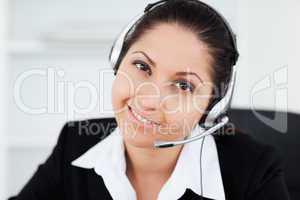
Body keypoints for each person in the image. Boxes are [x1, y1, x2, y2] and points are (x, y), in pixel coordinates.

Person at [9, 0, 290, 199]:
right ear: (118, 62)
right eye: (142, 67)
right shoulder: (74, 144)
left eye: (183, 85)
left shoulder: (255, 170)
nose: (148, 100)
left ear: (211, 107)